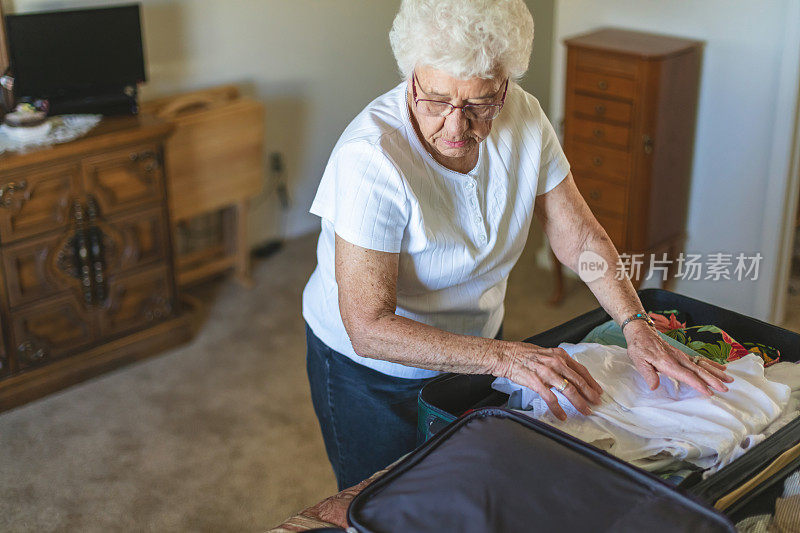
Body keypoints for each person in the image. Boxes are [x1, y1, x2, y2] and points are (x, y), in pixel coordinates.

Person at [302, 0, 732, 491]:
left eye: (480, 103)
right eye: (437, 99)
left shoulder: (524, 115)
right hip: (372, 371)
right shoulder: (370, 157)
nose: (456, 126)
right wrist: (506, 358)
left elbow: (580, 236)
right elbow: (369, 326)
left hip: (478, 339)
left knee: (468, 483)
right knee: (386, 500)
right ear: (411, 77)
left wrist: (635, 324)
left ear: (505, 86)